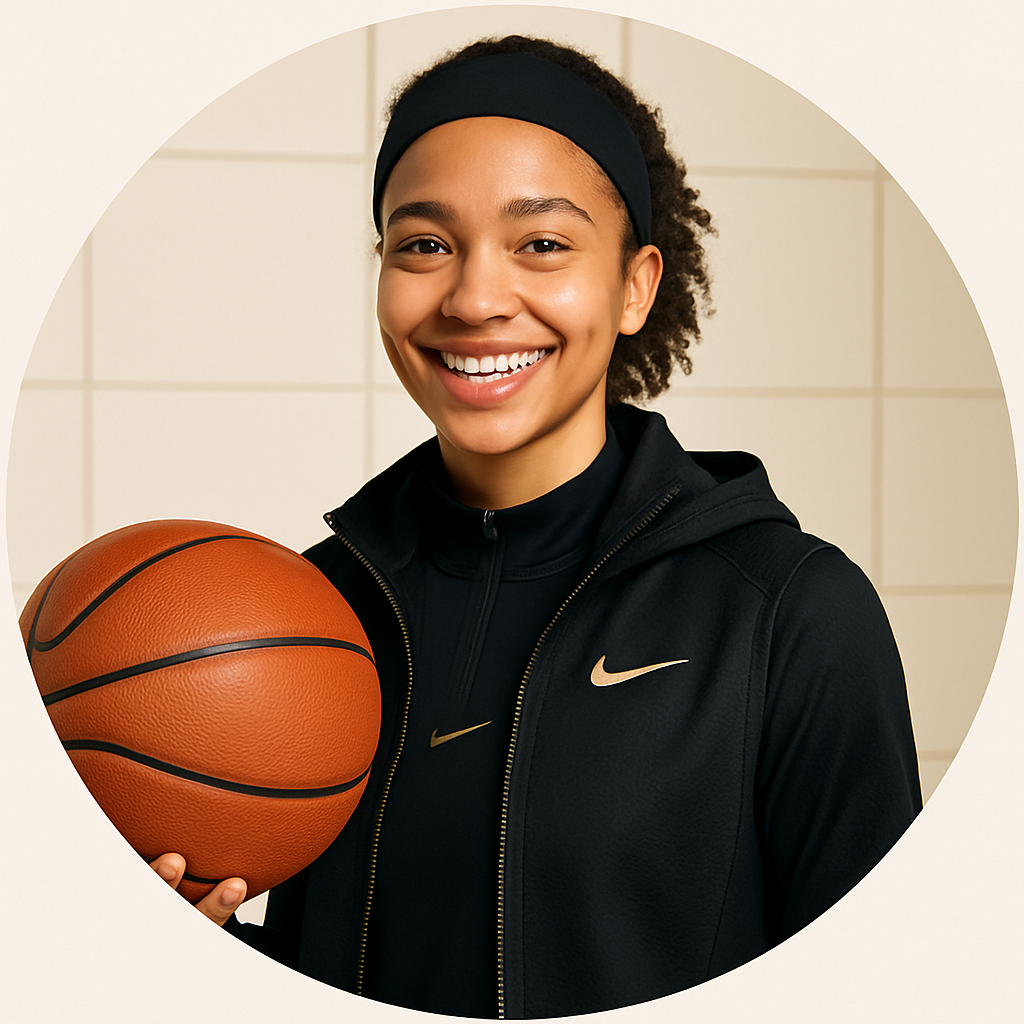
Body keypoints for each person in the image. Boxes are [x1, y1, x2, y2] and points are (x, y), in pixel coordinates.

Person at [150, 35, 922, 1018]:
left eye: (543, 244)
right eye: (423, 244)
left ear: (635, 284)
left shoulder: (788, 614)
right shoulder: (312, 613)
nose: (473, 298)